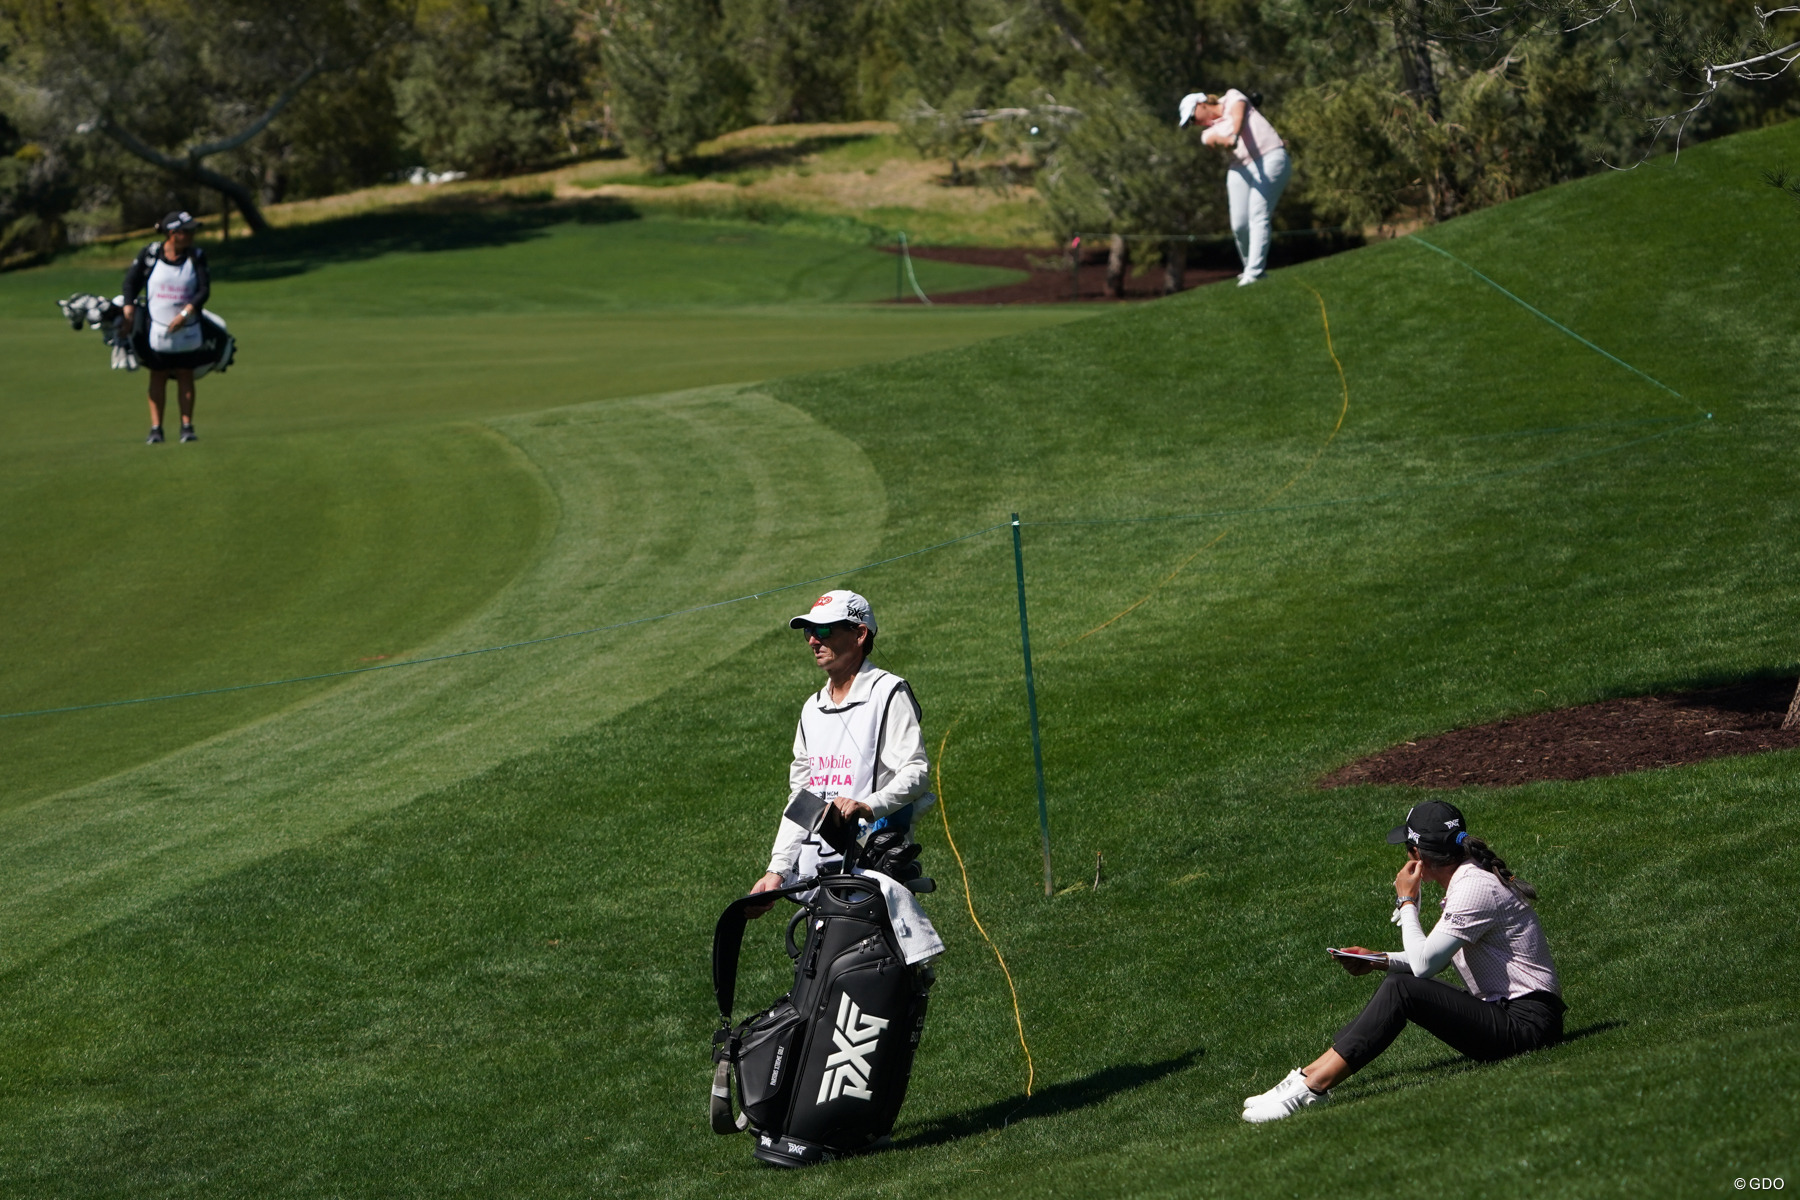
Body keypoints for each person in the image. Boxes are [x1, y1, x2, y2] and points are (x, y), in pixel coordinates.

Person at [1242, 799, 1565, 1123]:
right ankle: (1304, 1077)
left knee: (1402, 989)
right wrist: (1379, 960)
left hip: (1527, 1028)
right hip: (1513, 1016)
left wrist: (1407, 901)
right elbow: (1431, 953)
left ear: (1417, 853)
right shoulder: (1468, 879)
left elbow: (1424, 965)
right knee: (1397, 984)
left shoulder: (1473, 888)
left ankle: (1313, 1089)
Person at [746, 590, 930, 916]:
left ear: (860, 634)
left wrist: (867, 806)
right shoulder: (811, 709)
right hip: (820, 881)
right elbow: (803, 800)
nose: (813, 641)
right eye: (809, 632)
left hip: (873, 876)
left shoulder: (888, 693)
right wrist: (777, 871)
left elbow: (916, 772)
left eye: (825, 630)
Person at [1178, 91, 1291, 287]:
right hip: (1240, 167)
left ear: (1201, 104)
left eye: (1192, 118)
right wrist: (1228, 140)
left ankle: (1254, 273)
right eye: (1190, 123)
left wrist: (1235, 134)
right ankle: (1251, 269)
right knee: (1239, 225)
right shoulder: (1206, 134)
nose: (1194, 124)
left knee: (1258, 214)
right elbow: (1217, 140)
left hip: (1271, 157)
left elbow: (1238, 115)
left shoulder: (1232, 96)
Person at [121, 211, 211, 444]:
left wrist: (185, 313)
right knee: (157, 375)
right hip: (156, 331)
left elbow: (203, 290)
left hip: (188, 328)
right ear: (173, 233)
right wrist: (128, 308)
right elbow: (131, 282)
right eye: (187, 231)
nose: (192, 235)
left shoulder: (196, 256)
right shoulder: (150, 254)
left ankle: (187, 427)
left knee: (185, 374)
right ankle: (156, 429)